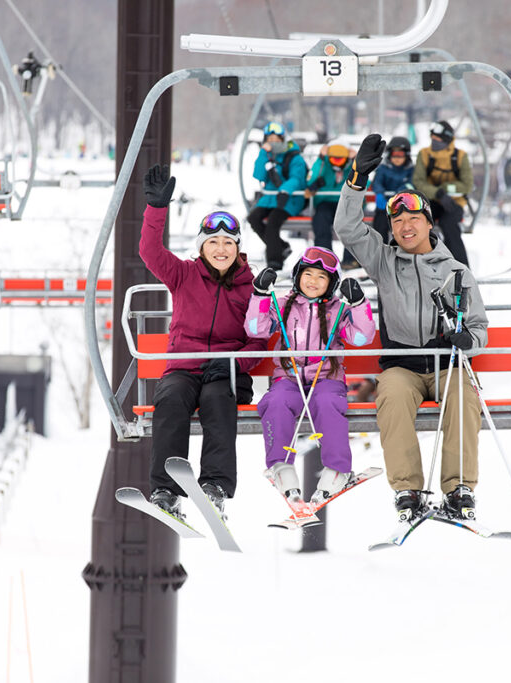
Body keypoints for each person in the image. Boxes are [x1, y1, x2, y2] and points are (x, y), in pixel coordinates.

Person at [333, 134, 488, 520]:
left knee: (464, 398)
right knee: (392, 394)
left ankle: (459, 489)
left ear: (428, 223)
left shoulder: (455, 271)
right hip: (403, 366)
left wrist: (467, 340)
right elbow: (348, 228)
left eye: (412, 218)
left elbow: (480, 328)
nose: (404, 226)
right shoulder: (384, 262)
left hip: (446, 366)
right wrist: (356, 181)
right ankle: (408, 491)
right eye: (397, 220)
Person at [138, 164, 267, 519]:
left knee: (217, 400)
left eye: (228, 242)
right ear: (202, 246)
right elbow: (150, 251)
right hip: (183, 366)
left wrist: (231, 363)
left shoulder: (251, 287)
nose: (221, 249)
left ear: (237, 248)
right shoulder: (183, 274)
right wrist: (156, 210)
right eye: (213, 242)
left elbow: (259, 340)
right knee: (170, 399)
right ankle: (165, 489)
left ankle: (215, 486)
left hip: (225, 372)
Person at [245, 246, 375, 505]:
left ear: (331, 283)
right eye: (308, 274)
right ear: (297, 276)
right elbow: (254, 328)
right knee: (275, 402)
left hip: (327, 378)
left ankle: (337, 470)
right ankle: (281, 468)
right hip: (289, 379)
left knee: (327, 404)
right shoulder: (284, 304)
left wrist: (359, 304)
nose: (313, 281)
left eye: (321, 277)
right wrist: (260, 294)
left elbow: (363, 336)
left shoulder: (338, 309)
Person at [247, 122, 308, 270]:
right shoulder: (267, 156)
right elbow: (259, 175)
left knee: (273, 223)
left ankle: (275, 262)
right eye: (270, 140)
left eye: (276, 140)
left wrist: (285, 190)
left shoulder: (294, 157)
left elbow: (297, 178)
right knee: (254, 218)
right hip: (269, 198)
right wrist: (263, 153)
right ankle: (280, 246)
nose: (273, 143)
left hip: (290, 199)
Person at [412, 120, 473, 265]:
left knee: (449, 224)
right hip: (430, 201)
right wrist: (437, 193)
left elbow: (467, 185)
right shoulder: (425, 155)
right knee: (421, 224)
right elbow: (418, 181)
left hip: (453, 203)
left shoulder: (459, 157)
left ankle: (461, 267)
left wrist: (447, 189)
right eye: (433, 139)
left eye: (438, 140)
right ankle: (423, 262)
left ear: (446, 140)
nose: (435, 142)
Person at [305, 142, 359, 269]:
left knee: (351, 224)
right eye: (334, 159)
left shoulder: (352, 166)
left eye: (340, 160)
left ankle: (350, 260)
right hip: (325, 202)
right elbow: (311, 180)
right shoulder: (324, 165)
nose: (337, 163)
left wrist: (357, 161)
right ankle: (324, 258)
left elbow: (364, 182)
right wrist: (321, 159)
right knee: (321, 221)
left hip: (346, 202)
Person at [371, 136, 415, 241]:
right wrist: (379, 193)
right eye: (394, 154)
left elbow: (411, 183)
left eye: (400, 155)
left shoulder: (411, 169)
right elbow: (377, 182)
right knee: (380, 226)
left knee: (403, 229)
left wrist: (400, 193)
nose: (397, 158)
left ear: (407, 155)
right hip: (384, 206)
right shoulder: (383, 168)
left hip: (404, 207)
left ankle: (403, 253)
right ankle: (381, 251)